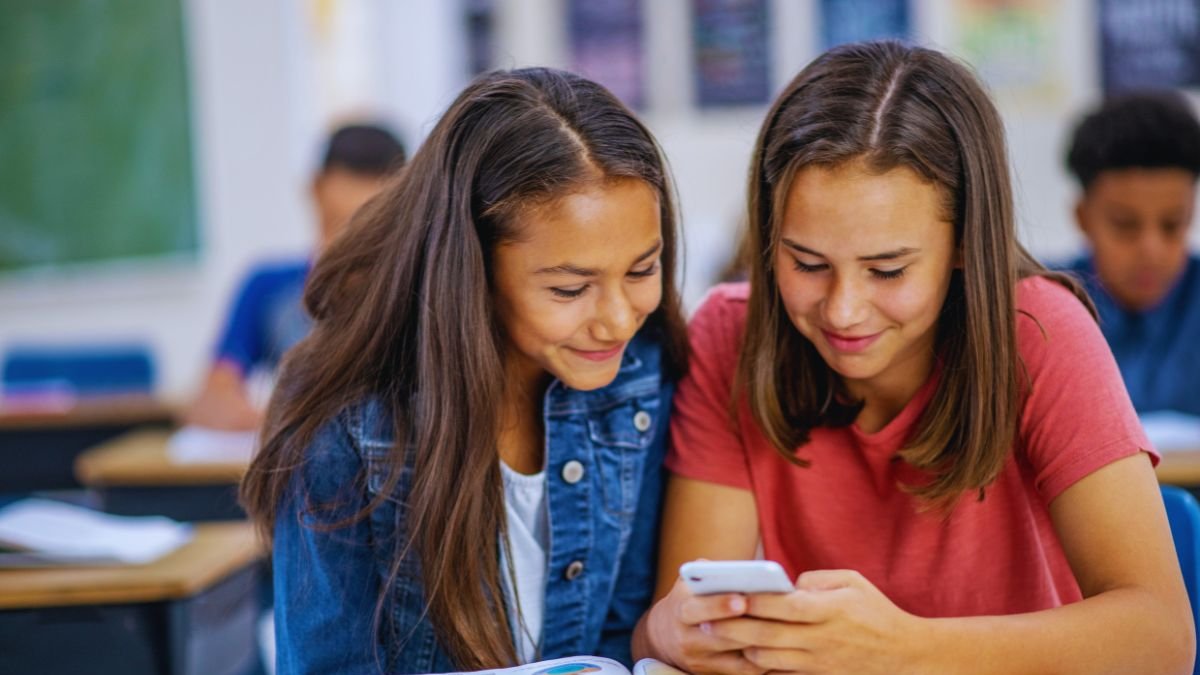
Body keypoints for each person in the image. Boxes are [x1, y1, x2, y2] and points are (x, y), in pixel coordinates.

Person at [634, 41, 1194, 674]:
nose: (844, 310)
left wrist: (898, 651)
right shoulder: (729, 335)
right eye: (807, 263)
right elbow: (681, 621)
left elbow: (1162, 639)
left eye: (888, 269)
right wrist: (668, 631)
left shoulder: (1039, 330)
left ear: (963, 245)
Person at [240, 68, 689, 674]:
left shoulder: (639, 375)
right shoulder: (347, 427)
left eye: (642, 270)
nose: (616, 321)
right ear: (471, 270)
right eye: (570, 287)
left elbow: (618, 637)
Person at [185, 124, 406, 431]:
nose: (347, 250)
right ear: (315, 189)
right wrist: (294, 425)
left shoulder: (411, 296)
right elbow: (211, 402)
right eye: (337, 225)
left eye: (369, 232)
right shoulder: (268, 289)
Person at [1061, 91, 1200, 415]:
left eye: (1172, 225)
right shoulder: (1041, 310)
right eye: (1125, 225)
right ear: (1083, 217)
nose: (1150, 250)